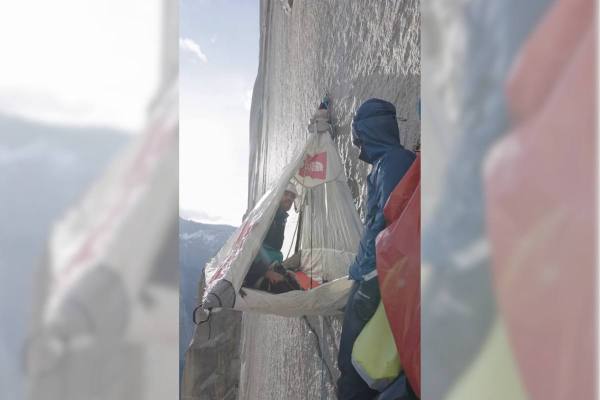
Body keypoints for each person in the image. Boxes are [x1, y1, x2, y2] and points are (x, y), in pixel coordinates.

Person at [337, 98, 417, 399]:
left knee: (354, 363)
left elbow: (389, 224)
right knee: (363, 359)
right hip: (377, 274)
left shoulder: (392, 164)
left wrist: (368, 279)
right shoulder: (391, 163)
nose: (359, 151)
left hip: (376, 279)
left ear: (370, 132)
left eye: (359, 140)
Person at [243, 183, 302, 293]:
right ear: (279, 194)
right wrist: (266, 272)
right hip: (255, 273)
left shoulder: (280, 217)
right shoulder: (267, 215)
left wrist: (283, 270)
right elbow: (248, 248)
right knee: (289, 292)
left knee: (296, 286)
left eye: (292, 196)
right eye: (286, 194)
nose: (289, 198)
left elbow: (272, 252)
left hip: (270, 266)